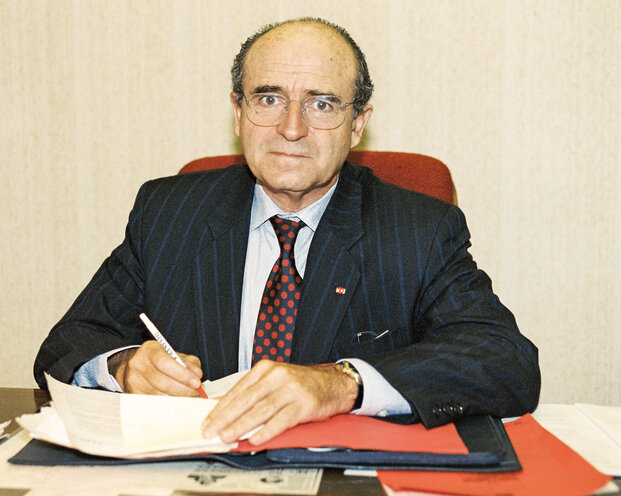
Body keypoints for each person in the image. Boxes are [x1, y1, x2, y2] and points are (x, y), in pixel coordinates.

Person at [33, 17, 540, 446]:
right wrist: (123, 366)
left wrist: (342, 384)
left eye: (321, 103)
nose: (291, 127)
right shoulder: (169, 211)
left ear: (358, 123)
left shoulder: (419, 229)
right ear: (239, 112)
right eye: (269, 98)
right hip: (192, 478)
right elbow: (66, 345)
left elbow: (505, 361)